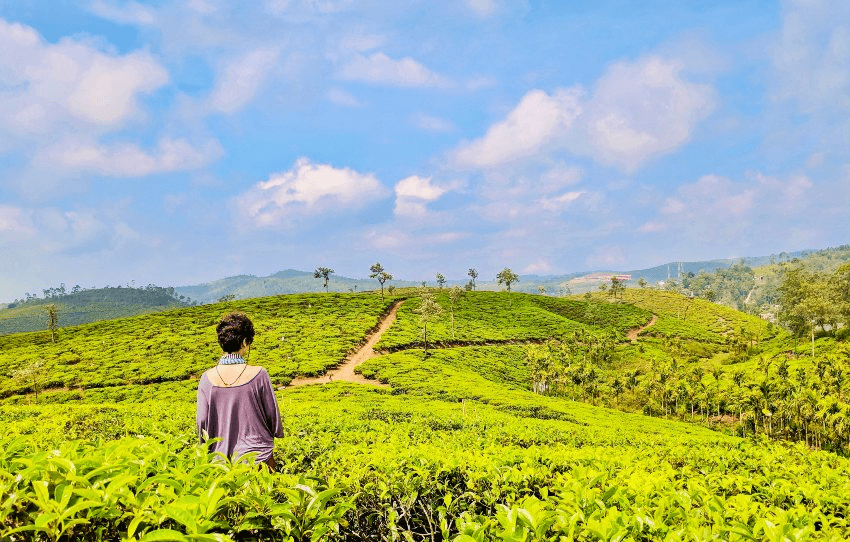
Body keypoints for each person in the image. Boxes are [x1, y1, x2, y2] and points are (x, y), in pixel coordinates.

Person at [196, 311, 283, 470]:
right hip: (258, 459)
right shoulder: (259, 374)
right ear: (244, 342)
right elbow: (273, 419)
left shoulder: (206, 379)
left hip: (220, 463)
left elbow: (202, 422)